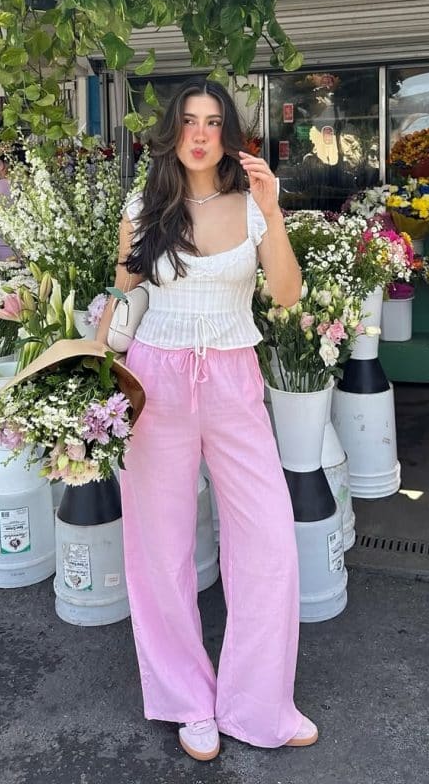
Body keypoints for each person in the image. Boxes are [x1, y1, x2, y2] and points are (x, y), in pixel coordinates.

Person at [95, 79, 316, 762]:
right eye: (188, 121)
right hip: (155, 381)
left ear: (228, 134)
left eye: (213, 122)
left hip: (230, 378)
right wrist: (90, 385)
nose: (199, 134)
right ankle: (187, 700)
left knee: (269, 540)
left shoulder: (252, 205)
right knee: (158, 548)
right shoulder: (144, 205)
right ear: (171, 130)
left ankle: (258, 703)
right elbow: (120, 295)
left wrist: (274, 212)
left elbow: (284, 293)